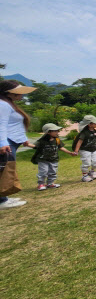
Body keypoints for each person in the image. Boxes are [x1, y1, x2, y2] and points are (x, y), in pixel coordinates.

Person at [0, 80, 36, 209]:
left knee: (6, 169)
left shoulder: (9, 104)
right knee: (4, 170)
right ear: (9, 93)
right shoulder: (3, 105)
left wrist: (23, 139)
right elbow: (1, 125)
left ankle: (4, 197)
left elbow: (14, 125)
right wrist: (2, 143)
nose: (22, 95)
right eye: (19, 92)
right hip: (7, 141)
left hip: (13, 141)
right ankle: (2, 200)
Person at [32, 123, 76, 191]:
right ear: (48, 132)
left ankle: (50, 183)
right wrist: (27, 144)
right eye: (55, 131)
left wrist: (69, 153)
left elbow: (61, 147)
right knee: (43, 172)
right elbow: (35, 146)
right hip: (43, 159)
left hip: (53, 159)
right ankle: (41, 184)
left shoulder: (57, 140)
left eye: (57, 130)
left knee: (53, 171)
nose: (57, 132)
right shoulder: (42, 140)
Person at [73, 115, 96, 182]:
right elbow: (79, 142)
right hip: (84, 150)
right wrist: (76, 151)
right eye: (95, 123)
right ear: (90, 124)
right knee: (87, 163)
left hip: (93, 149)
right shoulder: (84, 133)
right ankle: (84, 176)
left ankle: (92, 171)